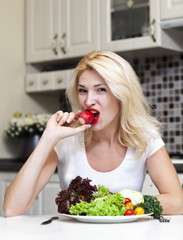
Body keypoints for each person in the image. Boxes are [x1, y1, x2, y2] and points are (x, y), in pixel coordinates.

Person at [3, 51, 183, 217]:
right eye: (82, 90)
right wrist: (48, 139)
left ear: (121, 96)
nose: (88, 101)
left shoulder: (145, 138)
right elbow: (12, 208)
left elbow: (177, 202)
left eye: (101, 90)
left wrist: (120, 204)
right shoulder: (66, 139)